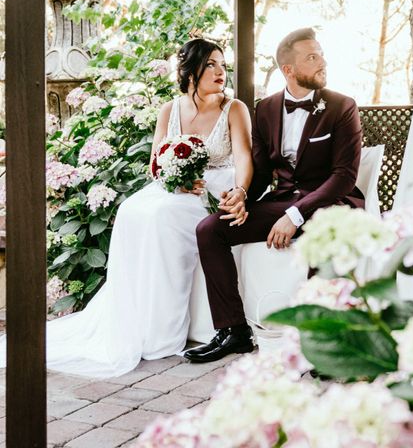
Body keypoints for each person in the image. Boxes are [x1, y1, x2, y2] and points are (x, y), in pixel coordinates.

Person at [0, 39, 253, 378]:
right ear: (191, 70)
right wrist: (174, 179)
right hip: (175, 187)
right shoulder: (169, 110)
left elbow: (244, 158)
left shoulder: (233, 108)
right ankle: (137, 318)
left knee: (163, 216)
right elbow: (156, 162)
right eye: (211, 64)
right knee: (133, 210)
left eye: (223, 63)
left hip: (217, 186)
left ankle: (164, 330)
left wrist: (239, 189)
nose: (221, 71)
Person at [185, 28, 364, 363]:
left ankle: (322, 341)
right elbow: (261, 171)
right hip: (281, 200)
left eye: (321, 53)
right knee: (210, 229)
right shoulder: (265, 109)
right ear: (289, 70)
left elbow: (344, 176)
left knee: (327, 233)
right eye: (312, 57)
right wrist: (241, 199)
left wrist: (295, 216)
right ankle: (234, 330)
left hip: (329, 203)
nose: (322, 61)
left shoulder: (342, 107)